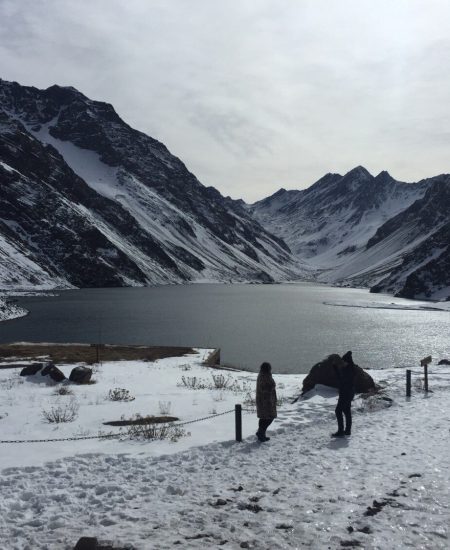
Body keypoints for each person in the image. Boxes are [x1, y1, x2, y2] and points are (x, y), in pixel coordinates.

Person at [332, 351, 356, 437]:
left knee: (338, 411)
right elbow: (340, 378)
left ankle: (341, 431)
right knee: (346, 410)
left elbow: (343, 381)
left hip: (346, 393)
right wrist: (335, 367)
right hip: (348, 392)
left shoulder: (348, 369)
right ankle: (347, 431)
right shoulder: (348, 368)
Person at [256, 362, 277, 442]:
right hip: (266, 401)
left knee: (264, 418)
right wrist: (272, 386)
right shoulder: (265, 376)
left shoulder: (262, 375)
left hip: (263, 400)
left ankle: (260, 433)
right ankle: (261, 433)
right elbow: (265, 388)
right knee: (269, 418)